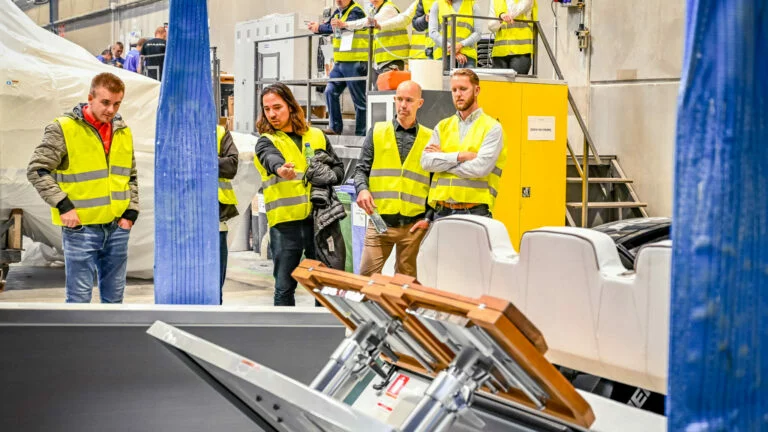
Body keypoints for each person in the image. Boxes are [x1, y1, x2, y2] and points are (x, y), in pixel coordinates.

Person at [27, 73, 139, 303]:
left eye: (117, 103)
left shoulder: (122, 130)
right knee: (79, 301)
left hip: (117, 227)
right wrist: (63, 205)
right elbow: (38, 170)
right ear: (90, 98)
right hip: (81, 228)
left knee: (115, 301)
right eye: (105, 102)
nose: (111, 110)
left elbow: (131, 176)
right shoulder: (63, 128)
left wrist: (131, 212)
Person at [253, 83, 344, 306]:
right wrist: (280, 169)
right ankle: (283, 329)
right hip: (285, 225)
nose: (272, 114)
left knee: (325, 286)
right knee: (284, 287)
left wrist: (329, 175)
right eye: (267, 109)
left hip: (320, 221)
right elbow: (270, 158)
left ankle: (323, 325)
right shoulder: (267, 141)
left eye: (277, 107)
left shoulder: (317, 136)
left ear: (291, 106)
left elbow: (339, 170)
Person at [354, 81, 432, 278]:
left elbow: (435, 182)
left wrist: (428, 218)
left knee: (405, 283)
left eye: (409, 100)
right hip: (379, 221)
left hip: (413, 225)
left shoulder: (430, 138)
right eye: (400, 99)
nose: (403, 105)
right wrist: (362, 189)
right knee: (367, 278)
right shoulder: (377, 131)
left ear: (420, 103)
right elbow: (361, 169)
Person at [421, 69, 506, 219]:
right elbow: (426, 162)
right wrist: (461, 156)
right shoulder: (442, 126)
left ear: (476, 90)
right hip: (441, 211)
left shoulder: (492, 128)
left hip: (475, 211)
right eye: (454, 90)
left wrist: (443, 161)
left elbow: (480, 168)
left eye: (463, 89)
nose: (458, 94)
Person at [307, 0, 368, 136]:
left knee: (359, 100)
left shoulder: (356, 11)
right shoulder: (338, 12)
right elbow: (329, 26)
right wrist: (316, 27)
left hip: (354, 61)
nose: (338, 1)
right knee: (330, 91)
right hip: (340, 62)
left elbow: (340, 27)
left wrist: (320, 28)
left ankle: (361, 133)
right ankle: (335, 128)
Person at [344, 0, 409, 78]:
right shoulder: (373, 10)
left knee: (388, 85)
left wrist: (345, 24)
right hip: (380, 61)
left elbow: (366, 22)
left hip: (392, 59)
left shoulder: (388, 8)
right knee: (377, 85)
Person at [216, 125, 239, 303]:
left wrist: (202, 159)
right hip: (186, 221)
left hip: (217, 221)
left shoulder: (220, 132)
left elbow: (231, 166)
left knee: (216, 285)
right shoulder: (176, 130)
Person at [488, 0, 537, 74]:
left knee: (518, 81)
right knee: (498, 81)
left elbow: (514, 11)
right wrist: (501, 18)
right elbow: (491, 26)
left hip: (520, 52)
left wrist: (502, 16)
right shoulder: (495, 1)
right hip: (499, 52)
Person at [428, 0, 481, 68]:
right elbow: (432, 32)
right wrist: (451, 49)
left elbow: (478, 33)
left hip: (467, 57)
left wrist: (461, 44)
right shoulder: (437, 4)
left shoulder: (472, 5)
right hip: (443, 55)